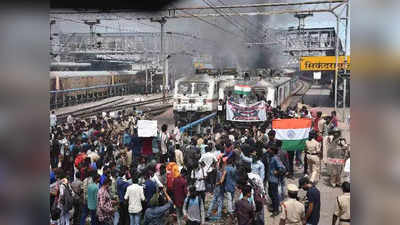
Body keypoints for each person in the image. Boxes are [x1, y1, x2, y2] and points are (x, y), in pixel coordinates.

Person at [268, 144, 286, 217]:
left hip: (274, 180)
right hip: (270, 179)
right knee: (271, 194)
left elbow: (282, 168)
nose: (269, 150)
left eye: (270, 149)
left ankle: (276, 210)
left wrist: (277, 172)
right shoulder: (272, 157)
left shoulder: (276, 158)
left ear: (273, 151)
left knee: (275, 195)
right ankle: (274, 207)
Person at [220, 156, 237, 221]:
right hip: (233, 185)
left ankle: (230, 211)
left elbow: (223, 177)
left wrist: (220, 182)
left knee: (229, 199)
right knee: (232, 198)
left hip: (228, 185)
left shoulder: (226, 168)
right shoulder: (234, 168)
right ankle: (232, 209)